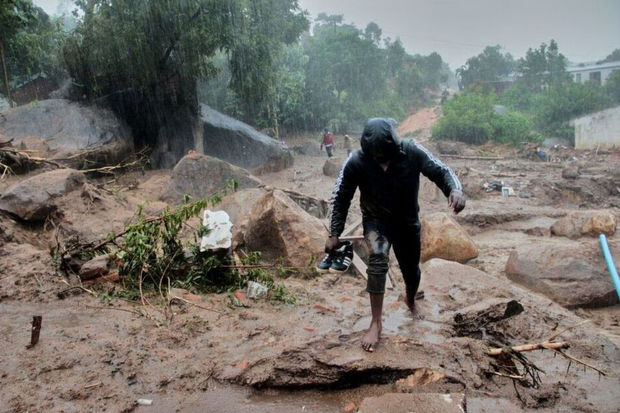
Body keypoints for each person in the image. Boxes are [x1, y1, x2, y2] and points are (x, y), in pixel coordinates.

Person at [325, 117, 465, 352]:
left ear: (395, 146)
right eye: (376, 156)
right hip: (376, 222)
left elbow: (440, 170)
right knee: (377, 260)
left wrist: (455, 189)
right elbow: (340, 197)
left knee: (411, 271)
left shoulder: (412, 150)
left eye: (386, 155)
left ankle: (410, 299)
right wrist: (334, 232)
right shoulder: (356, 161)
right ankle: (376, 322)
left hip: (407, 221)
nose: (381, 160)